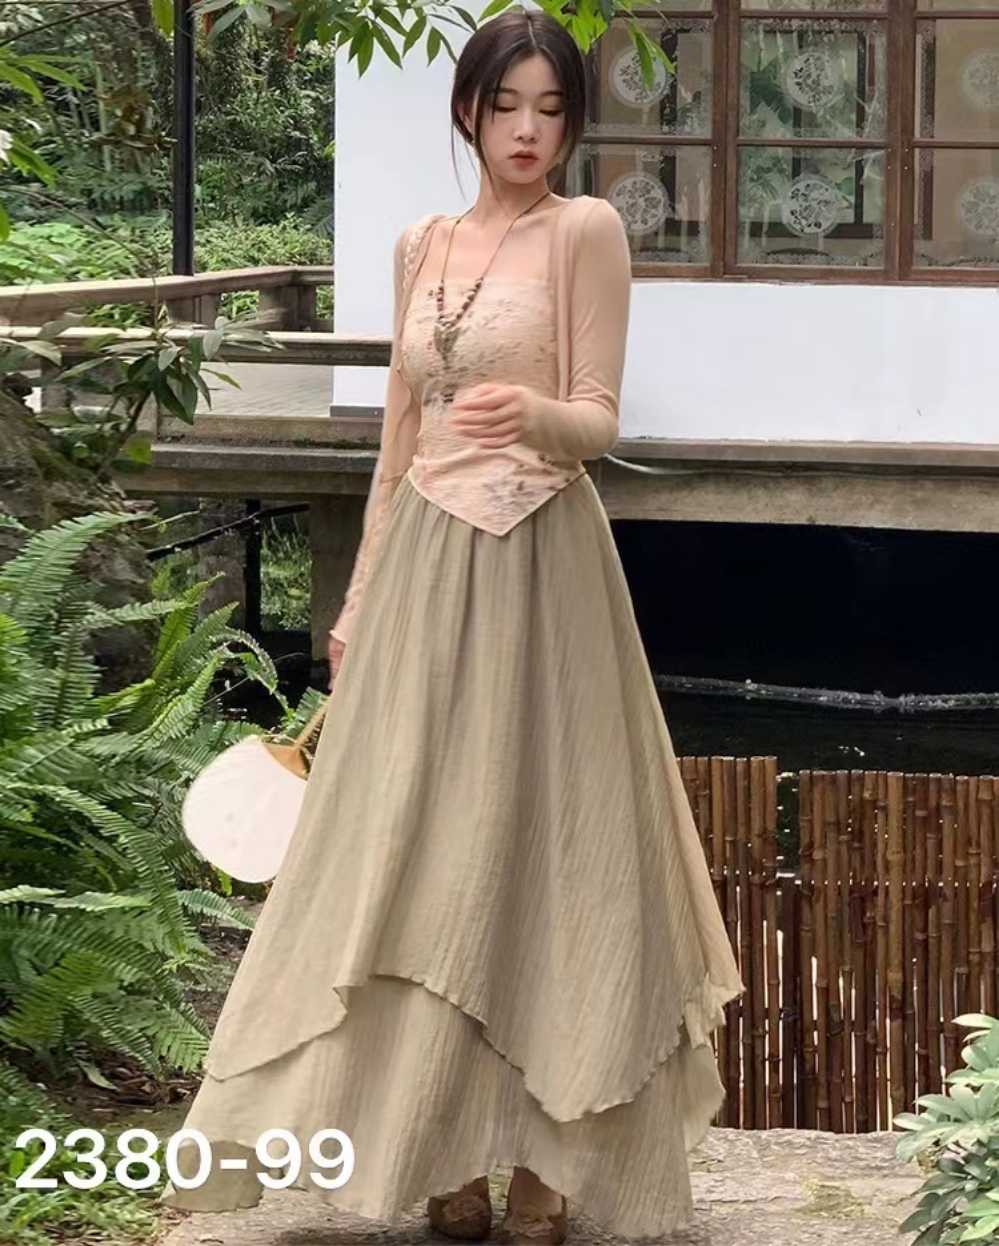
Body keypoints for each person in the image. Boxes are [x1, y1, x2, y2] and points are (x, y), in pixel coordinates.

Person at [160, 8, 745, 1242]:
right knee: (414, 846)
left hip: (543, 566)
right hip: (425, 564)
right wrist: (357, 600)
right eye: (508, 105)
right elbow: (397, 441)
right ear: (469, 112)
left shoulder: (585, 230)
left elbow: (598, 421)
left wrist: (531, 413)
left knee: (545, 844)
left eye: (553, 109)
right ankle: (434, 1145)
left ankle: (549, 1161)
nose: (529, 130)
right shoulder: (421, 243)